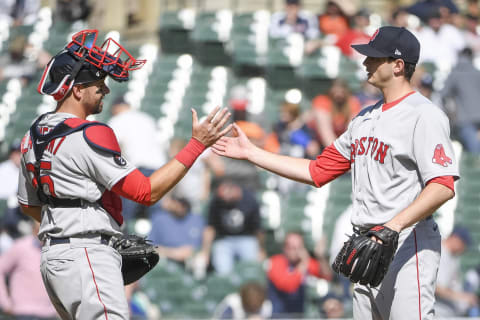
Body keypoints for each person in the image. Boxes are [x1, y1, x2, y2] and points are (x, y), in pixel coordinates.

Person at [213, 26, 459, 319]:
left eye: (374, 58)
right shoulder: (365, 118)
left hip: (407, 243)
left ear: (397, 66)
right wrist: (253, 153)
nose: (365, 63)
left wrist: (392, 227)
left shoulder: (425, 115)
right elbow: (317, 171)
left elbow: (443, 185)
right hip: (368, 245)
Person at [17, 29, 232, 320]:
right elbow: (146, 192)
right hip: (87, 256)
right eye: (98, 83)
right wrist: (197, 145)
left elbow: (28, 205)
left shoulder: (32, 135)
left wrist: (68, 227)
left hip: (53, 260)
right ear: (77, 89)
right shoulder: (91, 132)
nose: (105, 90)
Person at [108, 96, 167, 222]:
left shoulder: (118, 119)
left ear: (116, 108)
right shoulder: (147, 118)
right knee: (156, 216)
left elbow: (111, 147)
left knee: (126, 216)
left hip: (138, 169)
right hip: (160, 168)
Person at [198, 178, 264, 276]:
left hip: (246, 238)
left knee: (251, 269)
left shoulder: (250, 199)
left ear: (235, 189)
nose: (225, 198)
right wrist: (205, 252)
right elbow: (210, 228)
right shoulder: (216, 201)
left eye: (227, 194)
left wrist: (261, 250)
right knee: (222, 271)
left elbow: (258, 229)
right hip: (224, 239)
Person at [0, 221, 57, 319]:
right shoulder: (20, 247)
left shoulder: (55, 250)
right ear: (33, 229)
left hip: (50, 313)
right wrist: (5, 302)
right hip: (24, 313)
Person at [266, 232, 332, 317]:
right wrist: (303, 264)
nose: (297, 251)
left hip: (300, 315)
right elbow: (288, 286)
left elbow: (326, 276)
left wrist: (320, 257)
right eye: (293, 248)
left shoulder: (303, 263)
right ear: (285, 248)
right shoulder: (276, 262)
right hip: (280, 315)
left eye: (299, 248)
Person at [440, 47, 480, 154]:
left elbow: (443, 95)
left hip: (465, 120)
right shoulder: (477, 73)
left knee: (474, 158)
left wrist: (449, 113)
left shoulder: (455, 74)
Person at [435, 225, 478, 317]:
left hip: (448, 310)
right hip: (435, 309)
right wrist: (462, 297)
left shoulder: (453, 257)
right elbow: (435, 287)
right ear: (456, 239)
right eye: (464, 244)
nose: (464, 248)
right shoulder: (437, 252)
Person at [148, 194, 205, 264]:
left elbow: (200, 245)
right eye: (177, 202)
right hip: (166, 259)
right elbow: (151, 247)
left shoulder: (196, 219)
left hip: (191, 260)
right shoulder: (160, 219)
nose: (180, 206)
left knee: (200, 260)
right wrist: (172, 253)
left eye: (183, 203)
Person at [309, 78, 361, 149]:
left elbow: (351, 131)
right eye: (336, 90)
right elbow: (326, 133)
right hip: (310, 135)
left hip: (335, 139)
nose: (339, 94)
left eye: (342, 90)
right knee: (312, 148)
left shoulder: (352, 102)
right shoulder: (322, 101)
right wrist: (338, 152)